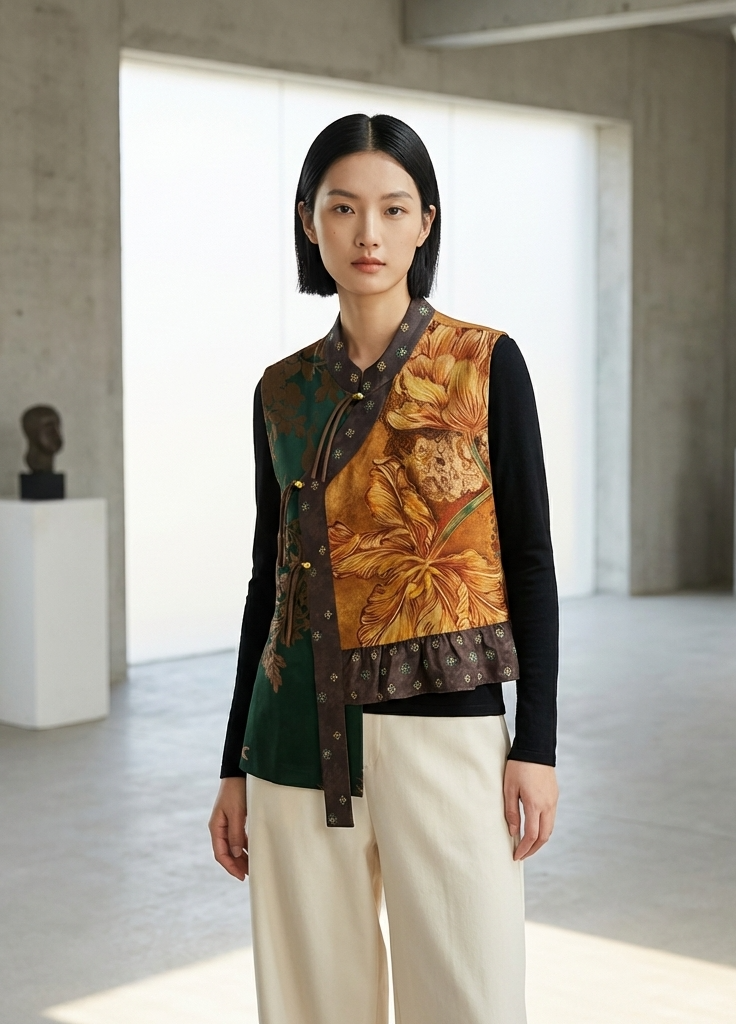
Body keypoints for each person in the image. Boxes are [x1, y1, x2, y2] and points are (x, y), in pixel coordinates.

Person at [208, 113, 559, 1024]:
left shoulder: (484, 363)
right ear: (308, 221)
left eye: (393, 208)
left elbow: (529, 559)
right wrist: (232, 765)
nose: (368, 233)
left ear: (424, 223)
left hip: (443, 733)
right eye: (343, 207)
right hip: (290, 736)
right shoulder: (279, 391)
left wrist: (536, 745)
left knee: (469, 995)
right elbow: (268, 578)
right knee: (311, 1004)